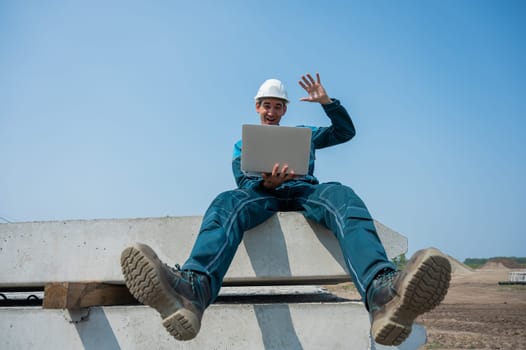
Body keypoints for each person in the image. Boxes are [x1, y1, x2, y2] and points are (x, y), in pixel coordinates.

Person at [120, 73, 451, 346]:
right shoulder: (244, 143)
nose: (272, 111)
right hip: (261, 195)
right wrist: (267, 184)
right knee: (225, 202)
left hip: (305, 191)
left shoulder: (302, 135)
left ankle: (383, 295)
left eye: (278, 107)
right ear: (257, 107)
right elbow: (240, 180)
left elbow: (344, 132)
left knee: (342, 196)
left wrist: (328, 103)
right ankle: (191, 292)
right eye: (267, 105)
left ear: (285, 111)